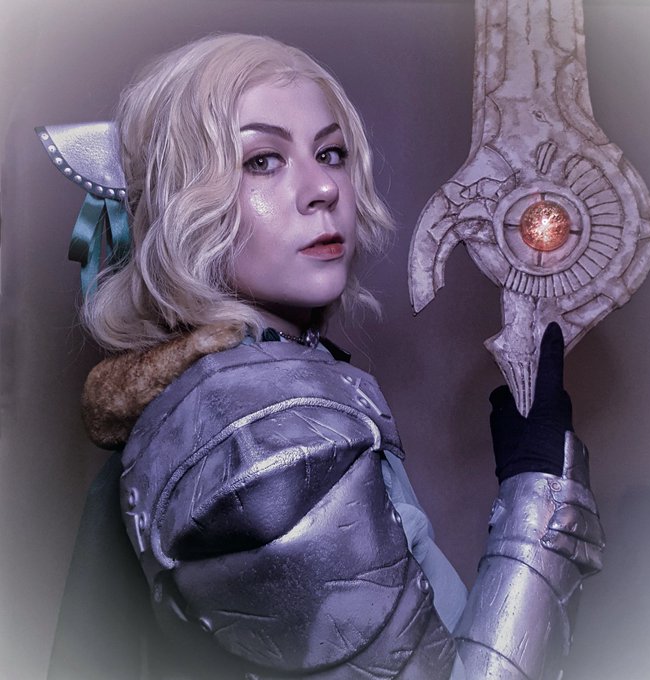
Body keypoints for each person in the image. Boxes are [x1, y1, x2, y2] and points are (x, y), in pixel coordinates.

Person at [43, 34, 604, 680]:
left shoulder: (243, 391)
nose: (322, 189)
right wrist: (540, 491)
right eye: (262, 161)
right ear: (180, 202)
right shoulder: (260, 438)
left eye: (331, 153)